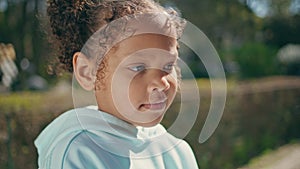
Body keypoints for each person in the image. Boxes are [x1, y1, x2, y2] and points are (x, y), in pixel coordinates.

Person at [35, 0, 198, 168]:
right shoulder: (77, 152)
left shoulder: (177, 152)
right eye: (138, 67)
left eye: (168, 66)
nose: (162, 82)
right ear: (87, 72)